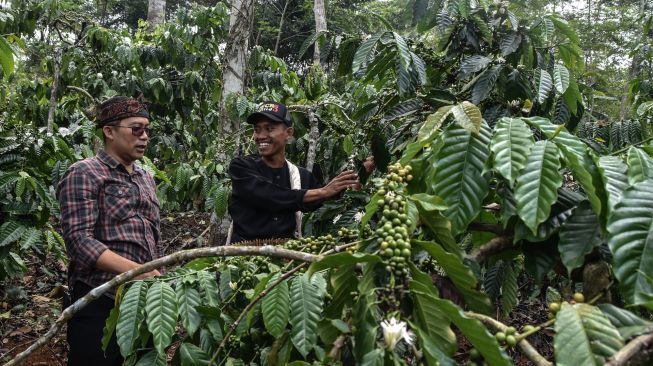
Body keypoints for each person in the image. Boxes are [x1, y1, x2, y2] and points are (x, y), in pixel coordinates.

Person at [57, 96, 161, 366]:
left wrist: (154, 277)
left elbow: (152, 235)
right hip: (99, 299)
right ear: (109, 131)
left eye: (147, 129)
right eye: (136, 129)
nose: (144, 136)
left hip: (142, 300)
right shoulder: (85, 173)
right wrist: (137, 271)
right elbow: (80, 242)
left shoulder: (145, 176)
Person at [228, 101, 360, 243]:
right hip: (242, 256)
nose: (261, 136)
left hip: (287, 258)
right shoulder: (241, 167)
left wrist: (360, 174)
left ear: (289, 133)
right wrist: (322, 192)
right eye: (257, 129)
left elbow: (325, 203)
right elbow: (267, 194)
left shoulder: (301, 176)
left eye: (270, 128)